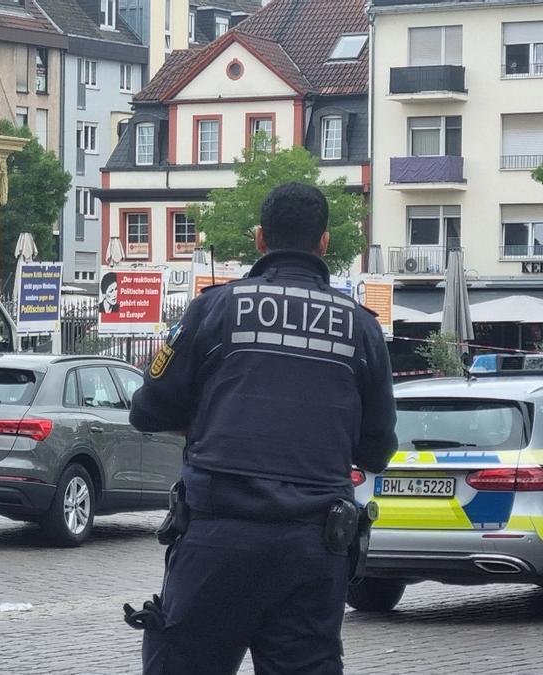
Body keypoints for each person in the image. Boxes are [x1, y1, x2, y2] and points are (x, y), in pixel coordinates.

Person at [129, 183, 397, 674]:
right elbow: (377, 450)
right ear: (323, 242)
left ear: (259, 239)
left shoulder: (214, 309)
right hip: (315, 548)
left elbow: (148, 409)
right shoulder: (361, 329)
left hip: (217, 539)